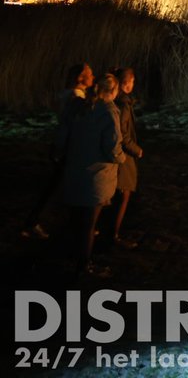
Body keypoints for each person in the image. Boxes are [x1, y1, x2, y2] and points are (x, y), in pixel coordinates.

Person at [58, 72, 125, 278]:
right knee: (89, 224)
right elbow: (112, 147)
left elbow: (63, 132)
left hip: (74, 171)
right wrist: (122, 159)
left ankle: (71, 258)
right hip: (96, 176)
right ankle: (83, 265)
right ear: (113, 91)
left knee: (76, 221)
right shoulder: (108, 111)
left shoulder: (80, 107)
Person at [20, 63, 94, 240]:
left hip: (64, 146)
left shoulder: (71, 94)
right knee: (57, 187)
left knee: (59, 186)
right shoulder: (76, 97)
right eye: (89, 74)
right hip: (69, 148)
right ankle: (34, 223)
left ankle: (38, 222)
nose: (93, 76)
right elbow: (72, 125)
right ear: (80, 78)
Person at [108, 66, 143, 248]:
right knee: (123, 194)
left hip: (117, 154)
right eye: (132, 81)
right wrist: (136, 149)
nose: (133, 84)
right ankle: (113, 235)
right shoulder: (123, 104)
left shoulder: (113, 100)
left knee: (117, 195)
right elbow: (122, 133)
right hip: (123, 156)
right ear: (126, 84)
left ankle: (110, 232)